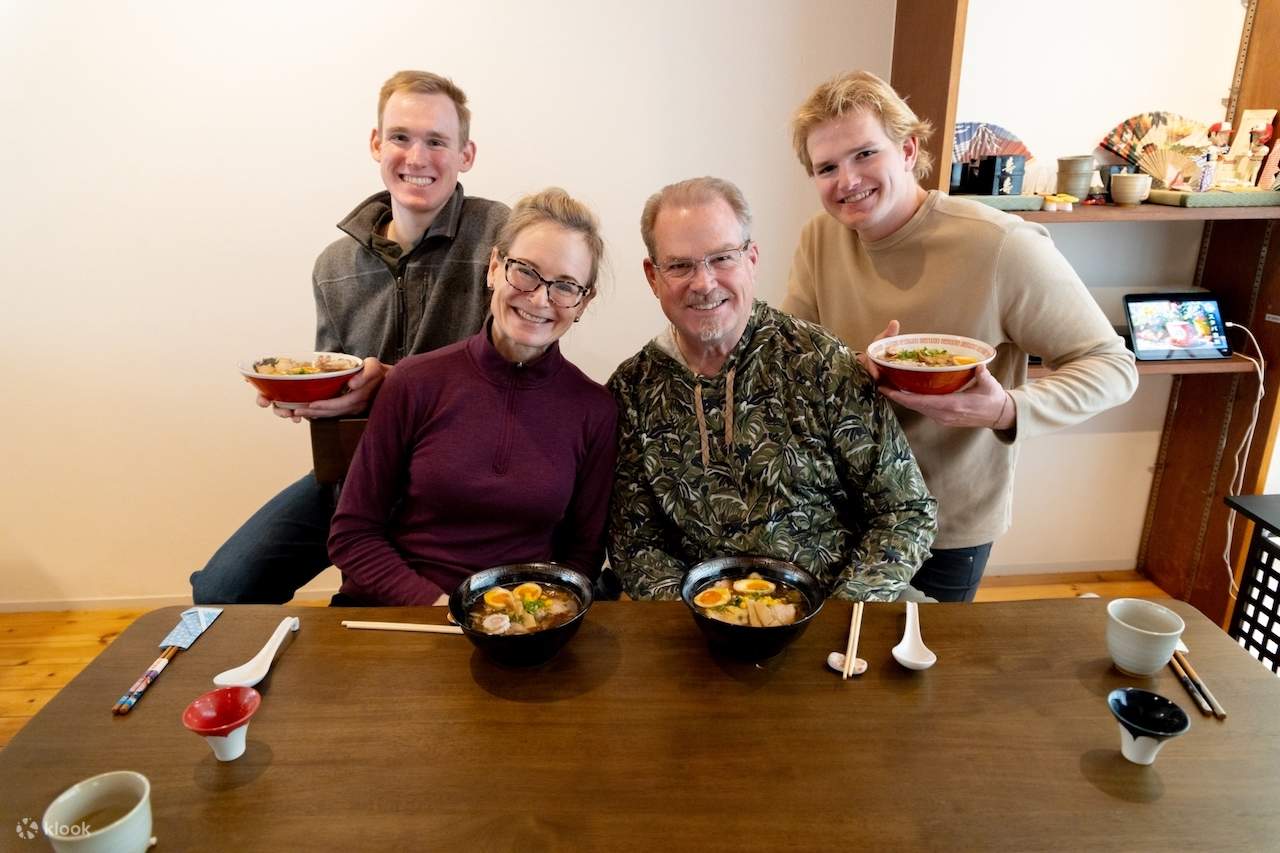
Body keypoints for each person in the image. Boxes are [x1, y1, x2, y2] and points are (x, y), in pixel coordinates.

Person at [782, 71, 1138, 602]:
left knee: (921, 669)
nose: (847, 181)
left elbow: (1111, 365)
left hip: (948, 519)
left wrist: (1006, 409)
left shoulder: (1000, 245)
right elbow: (795, 359)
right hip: (840, 506)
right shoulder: (819, 238)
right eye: (826, 167)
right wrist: (852, 366)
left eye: (864, 155)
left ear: (907, 150)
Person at [191, 71, 509, 603]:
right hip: (354, 473)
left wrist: (393, 383)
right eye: (401, 136)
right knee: (222, 589)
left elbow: (515, 370)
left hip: (456, 480)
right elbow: (334, 377)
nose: (417, 156)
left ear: (466, 154)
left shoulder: (500, 234)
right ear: (376, 143)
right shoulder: (333, 265)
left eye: (437, 141)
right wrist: (312, 400)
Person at [607, 177, 937, 602]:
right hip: (703, 619)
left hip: (842, 602)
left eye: (722, 258)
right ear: (653, 277)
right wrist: (699, 619)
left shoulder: (818, 360)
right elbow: (636, 542)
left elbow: (903, 511)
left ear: (752, 259)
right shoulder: (632, 392)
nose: (704, 283)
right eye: (680, 266)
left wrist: (842, 611)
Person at [328, 188, 617, 605]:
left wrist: (533, 614)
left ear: (583, 302)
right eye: (525, 272)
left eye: (566, 286)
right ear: (494, 268)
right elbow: (353, 533)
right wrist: (440, 608)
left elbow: (583, 552)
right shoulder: (415, 381)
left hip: (522, 624)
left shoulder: (594, 410)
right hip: (408, 616)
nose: (540, 298)